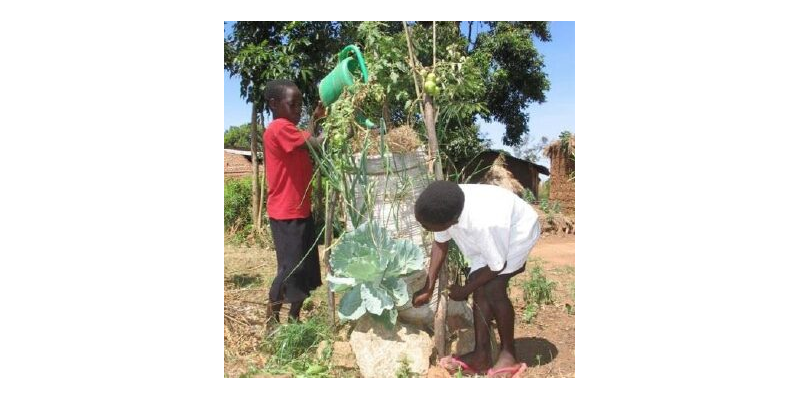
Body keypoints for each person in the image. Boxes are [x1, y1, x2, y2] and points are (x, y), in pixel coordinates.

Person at [412, 181, 540, 377]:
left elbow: (498, 266)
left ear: (453, 221)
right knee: (480, 285)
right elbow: (440, 243)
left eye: (427, 226)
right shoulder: (444, 204)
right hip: (491, 238)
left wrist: (464, 290)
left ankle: (509, 354)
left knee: (493, 288)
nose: (423, 227)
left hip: (517, 233)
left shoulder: (483, 222)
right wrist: (428, 287)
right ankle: (482, 355)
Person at [262, 79, 327, 324]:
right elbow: (315, 144)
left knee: (305, 267)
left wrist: (317, 119)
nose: (298, 108)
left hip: (300, 210)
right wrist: (341, 123)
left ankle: (294, 318)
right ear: (274, 104)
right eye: (293, 104)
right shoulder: (279, 127)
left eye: (301, 104)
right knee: (289, 269)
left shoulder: (289, 129)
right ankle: (272, 318)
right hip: (286, 212)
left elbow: (307, 139)